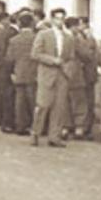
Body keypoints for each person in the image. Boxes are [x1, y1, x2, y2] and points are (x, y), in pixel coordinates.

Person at [30, 8, 74, 147]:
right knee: (42, 105)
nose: (60, 21)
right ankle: (35, 133)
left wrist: (68, 71)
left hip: (62, 76)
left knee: (59, 107)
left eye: (62, 18)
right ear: (52, 19)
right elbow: (35, 54)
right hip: (47, 74)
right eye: (57, 18)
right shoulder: (43, 34)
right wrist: (52, 60)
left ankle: (54, 136)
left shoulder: (69, 37)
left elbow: (71, 57)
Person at [6, 12, 37, 135]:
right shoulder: (36, 38)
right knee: (33, 101)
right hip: (33, 72)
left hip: (19, 72)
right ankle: (35, 126)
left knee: (19, 101)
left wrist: (12, 72)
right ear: (32, 23)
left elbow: (9, 58)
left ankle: (20, 126)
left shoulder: (14, 40)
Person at [63, 17, 93, 140]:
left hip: (62, 72)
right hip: (75, 72)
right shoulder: (75, 39)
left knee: (65, 101)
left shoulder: (60, 37)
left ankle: (64, 127)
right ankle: (79, 128)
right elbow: (86, 55)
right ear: (74, 26)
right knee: (79, 101)